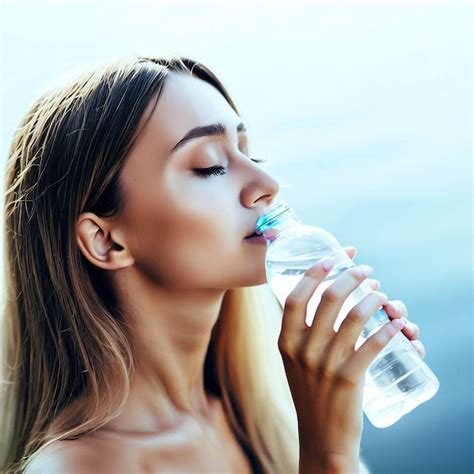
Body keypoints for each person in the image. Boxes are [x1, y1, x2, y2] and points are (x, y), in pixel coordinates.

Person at [0, 55, 425, 473]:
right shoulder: (72, 468)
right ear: (106, 240)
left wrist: (339, 400)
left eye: (248, 154)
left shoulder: (268, 403)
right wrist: (329, 454)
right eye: (210, 166)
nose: (267, 186)